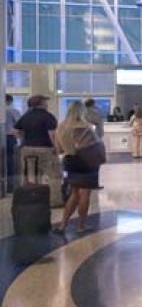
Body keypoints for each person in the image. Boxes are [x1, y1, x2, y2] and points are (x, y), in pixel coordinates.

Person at [52, 101, 102, 235]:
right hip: (86, 163)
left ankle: (63, 225)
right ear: (82, 111)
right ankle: (81, 226)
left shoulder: (61, 127)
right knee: (84, 194)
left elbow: (59, 149)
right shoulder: (86, 126)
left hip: (69, 162)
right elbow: (93, 146)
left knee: (74, 194)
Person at [14, 95, 62, 208]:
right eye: (45, 101)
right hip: (45, 149)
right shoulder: (48, 116)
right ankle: (55, 201)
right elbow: (52, 134)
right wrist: (56, 147)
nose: (47, 103)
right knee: (54, 175)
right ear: (41, 103)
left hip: (27, 149)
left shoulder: (25, 116)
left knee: (31, 175)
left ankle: (31, 198)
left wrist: (23, 139)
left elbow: (15, 130)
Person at [5, 94, 21, 188]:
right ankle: (10, 186)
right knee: (11, 161)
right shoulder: (12, 110)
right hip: (9, 138)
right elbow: (19, 125)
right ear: (10, 101)